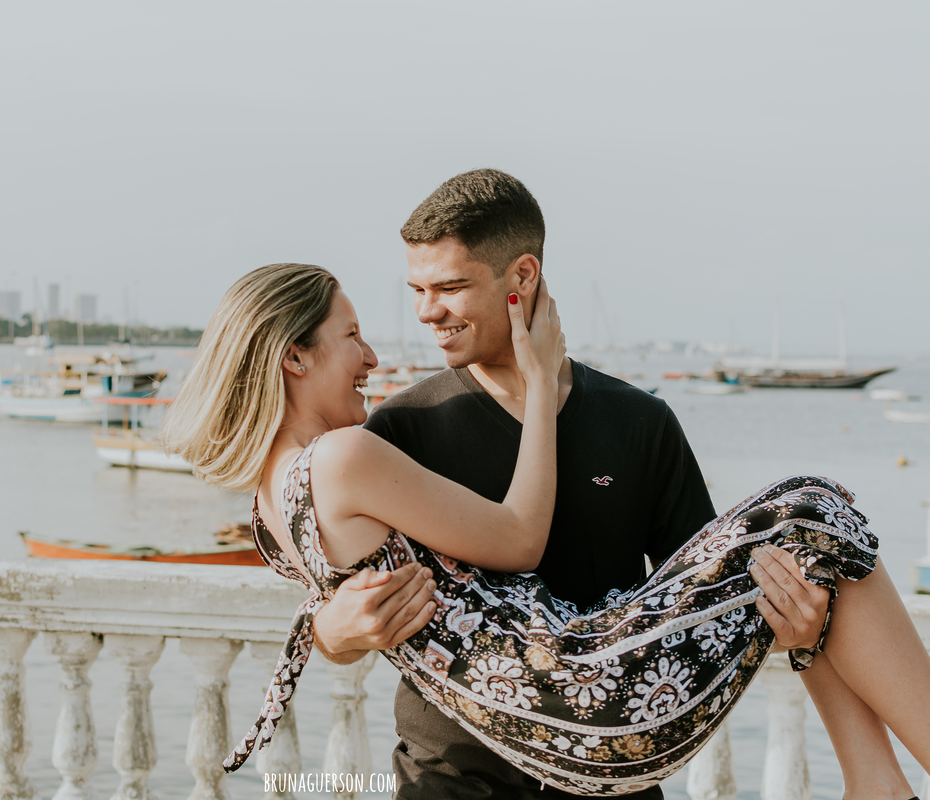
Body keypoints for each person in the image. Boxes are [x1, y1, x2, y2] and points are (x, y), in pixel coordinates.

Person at [161, 261, 930, 796]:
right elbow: (519, 539)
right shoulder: (349, 453)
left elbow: (343, 600)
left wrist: (329, 627)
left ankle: (874, 782)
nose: (372, 353)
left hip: (555, 725)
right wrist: (539, 386)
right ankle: (873, 779)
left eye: (445, 288)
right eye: (350, 335)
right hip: (582, 697)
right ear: (294, 357)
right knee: (813, 505)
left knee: (808, 544)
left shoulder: (269, 508)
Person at [309, 169, 914, 799]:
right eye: (417, 289)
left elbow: (707, 598)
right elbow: (336, 596)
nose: (427, 311)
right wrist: (334, 632)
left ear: (523, 276)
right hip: (451, 781)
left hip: (611, 782)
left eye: (450, 287)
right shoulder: (400, 429)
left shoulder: (639, 422)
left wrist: (793, 622)